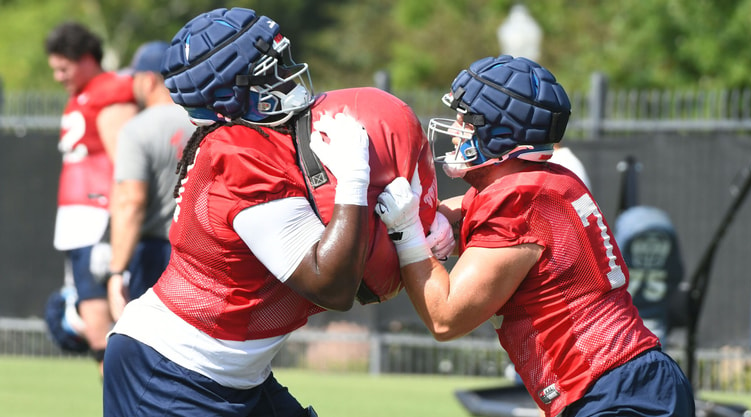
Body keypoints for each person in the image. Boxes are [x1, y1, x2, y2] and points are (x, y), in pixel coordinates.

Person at [103, 7, 443, 416]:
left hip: (233, 373)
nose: (286, 73)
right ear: (230, 95)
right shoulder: (238, 156)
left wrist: (425, 227)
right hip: (172, 373)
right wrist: (355, 177)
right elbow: (332, 286)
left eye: (281, 59)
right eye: (269, 70)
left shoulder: (272, 137)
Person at [375, 55, 696, 417]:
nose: (457, 127)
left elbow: (446, 318)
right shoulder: (539, 182)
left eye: (468, 118)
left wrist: (407, 235)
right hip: (624, 381)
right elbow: (462, 209)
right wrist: (435, 221)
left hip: (615, 391)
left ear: (499, 132)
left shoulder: (517, 200)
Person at [45, 21, 138, 374]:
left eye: (63, 68)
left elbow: (126, 165)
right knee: (93, 326)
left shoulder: (109, 91)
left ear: (85, 58)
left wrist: (111, 228)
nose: (58, 77)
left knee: (106, 327)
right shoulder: (83, 94)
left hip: (96, 218)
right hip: (77, 221)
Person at [106, 41, 194, 321]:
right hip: (200, 250)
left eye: (134, 77)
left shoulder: (137, 129)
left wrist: (117, 270)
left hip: (154, 251)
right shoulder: (204, 122)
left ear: (149, 80)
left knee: (148, 342)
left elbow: (131, 201)